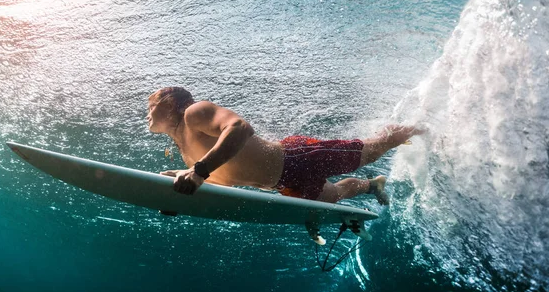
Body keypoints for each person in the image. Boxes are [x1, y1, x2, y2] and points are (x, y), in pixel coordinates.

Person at [148, 87, 422, 204]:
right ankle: (373, 185)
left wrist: (198, 172)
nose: (147, 111)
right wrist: (181, 184)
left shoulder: (194, 113)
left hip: (298, 158)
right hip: (283, 184)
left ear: (170, 104)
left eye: (152, 104)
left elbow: (239, 128)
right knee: (336, 195)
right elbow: (226, 181)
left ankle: (419, 125)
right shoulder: (186, 152)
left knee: (373, 150)